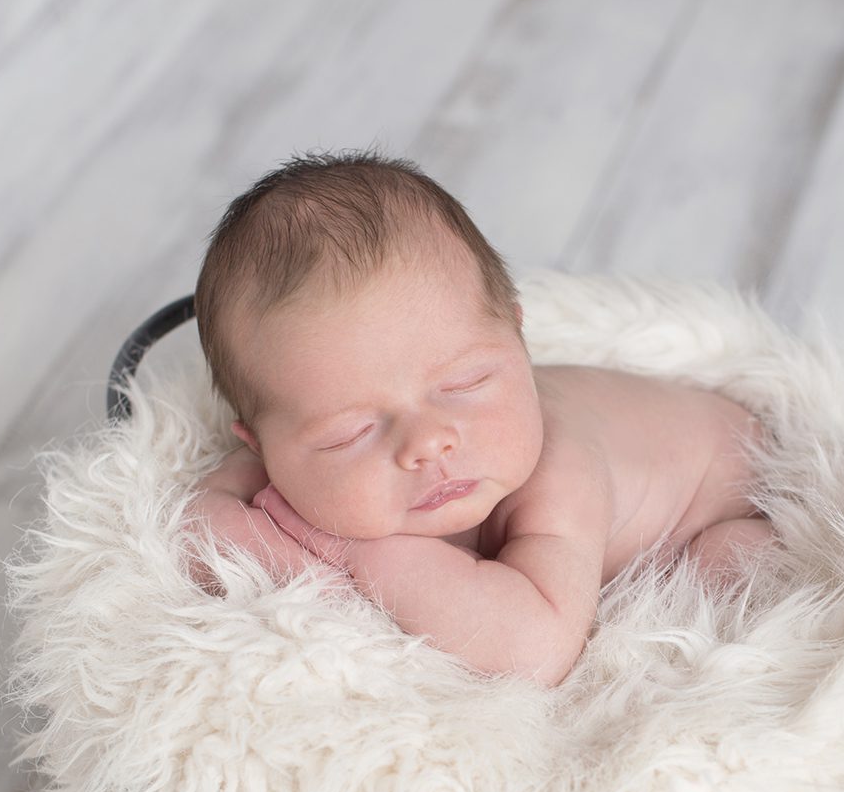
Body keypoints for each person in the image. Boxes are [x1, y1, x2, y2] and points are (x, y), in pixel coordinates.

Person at [181, 150, 776, 687]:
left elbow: (534, 652)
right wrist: (249, 531)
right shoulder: (303, 449)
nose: (429, 441)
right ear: (261, 447)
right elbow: (200, 529)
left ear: (518, 340)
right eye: (351, 433)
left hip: (726, 498)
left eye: (466, 384)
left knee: (726, 585)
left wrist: (360, 557)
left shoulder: (558, 470)